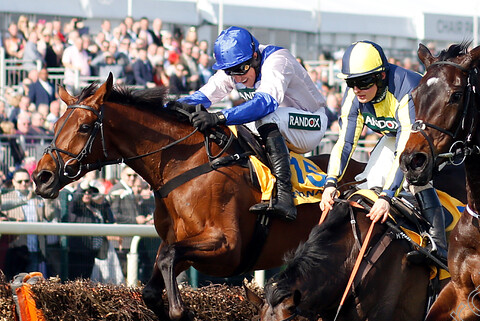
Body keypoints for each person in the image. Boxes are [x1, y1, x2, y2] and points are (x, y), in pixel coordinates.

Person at [178, 26, 327, 220]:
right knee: (231, 127)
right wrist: (164, 107)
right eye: (231, 72)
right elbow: (204, 96)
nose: (238, 77)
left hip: (311, 122)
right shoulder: (239, 66)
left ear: (255, 56)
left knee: (262, 116)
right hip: (281, 125)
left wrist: (218, 116)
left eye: (241, 69)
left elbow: (265, 104)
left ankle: (285, 196)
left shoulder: (277, 61)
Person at [319, 40, 447, 266]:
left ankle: (438, 246)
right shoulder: (354, 97)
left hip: (428, 137)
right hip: (395, 135)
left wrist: (387, 196)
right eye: (351, 82)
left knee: (414, 178)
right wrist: (330, 182)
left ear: (381, 77)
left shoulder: (406, 89)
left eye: (363, 82)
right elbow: (344, 142)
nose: (357, 89)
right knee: (368, 184)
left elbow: (406, 147)